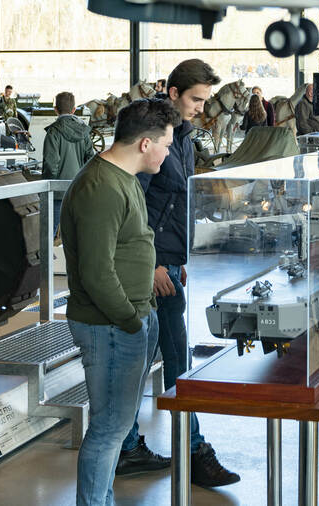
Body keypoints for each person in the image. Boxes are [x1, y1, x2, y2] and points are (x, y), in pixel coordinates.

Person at [119, 59, 239, 488]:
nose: (201, 108)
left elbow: (178, 201)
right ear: (173, 93)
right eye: (195, 99)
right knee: (171, 359)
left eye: (205, 100)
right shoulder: (152, 138)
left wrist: (180, 257)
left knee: (164, 358)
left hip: (169, 262)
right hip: (150, 267)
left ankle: (132, 446)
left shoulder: (183, 137)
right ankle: (190, 451)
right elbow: (134, 205)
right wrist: (150, 263)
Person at [62, 98, 180, 506]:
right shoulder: (101, 188)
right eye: (166, 144)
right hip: (111, 326)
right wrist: (130, 320)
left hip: (131, 318)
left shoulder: (124, 178)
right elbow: (97, 273)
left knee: (116, 425)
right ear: (146, 143)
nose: (168, 153)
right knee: (109, 429)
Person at [43, 91, 96, 229]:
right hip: (79, 189)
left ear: (55, 110)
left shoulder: (53, 132)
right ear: (74, 109)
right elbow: (91, 159)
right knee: (78, 231)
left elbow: (51, 163)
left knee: (49, 230)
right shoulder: (84, 131)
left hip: (57, 191)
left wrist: (48, 186)